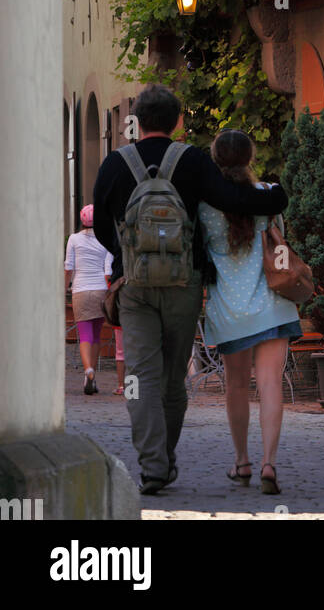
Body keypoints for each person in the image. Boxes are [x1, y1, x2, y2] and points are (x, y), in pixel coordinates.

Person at [92, 85, 289, 495]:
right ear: (178, 122)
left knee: (141, 377)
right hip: (184, 285)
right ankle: (165, 453)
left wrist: (128, 256)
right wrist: (277, 196)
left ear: (135, 121)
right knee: (173, 379)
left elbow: (100, 228)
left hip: (134, 287)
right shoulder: (191, 160)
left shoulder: (113, 164)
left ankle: (153, 466)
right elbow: (234, 199)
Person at [199, 130, 301, 496]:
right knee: (271, 384)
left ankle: (241, 460)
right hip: (271, 307)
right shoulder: (267, 198)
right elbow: (279, 242)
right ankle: (268, 464)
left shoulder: (205, 204)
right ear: (250, 157)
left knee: (237, 386)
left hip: (229, 312)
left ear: (215, 159)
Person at [64, 204, 113, 395]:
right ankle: (91, 375)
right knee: (97, 334)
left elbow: (69, 267)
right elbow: (108, 270)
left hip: (81, 290)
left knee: (84, 334)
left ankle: (88, 371)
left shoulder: (74, 239)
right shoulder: (105, 240)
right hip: (100, 289)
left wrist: (64, 287)